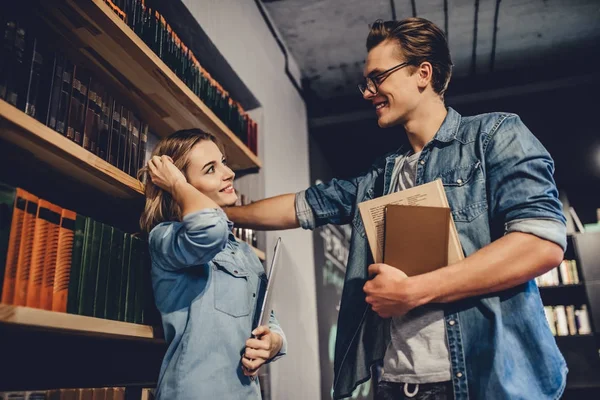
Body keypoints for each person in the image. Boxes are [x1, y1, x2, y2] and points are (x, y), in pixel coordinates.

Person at [225, 18, 567, 400]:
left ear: (423, 73)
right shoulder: (378, 176)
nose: (369, 92)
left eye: (378, 77)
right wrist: (221, 212)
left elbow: (541, 242)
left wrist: (415, 290)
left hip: (481, 383)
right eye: (366, 82)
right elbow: (302, 206)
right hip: (394, 385)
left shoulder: (494, 136)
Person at [139, 129, 287, 400]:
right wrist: (175, 185)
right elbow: (208, 229)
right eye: (210, 169)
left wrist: (274, 342)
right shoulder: (166, 238)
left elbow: (266, 317)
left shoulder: (245, 252)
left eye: (223, 162)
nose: (228, 173)